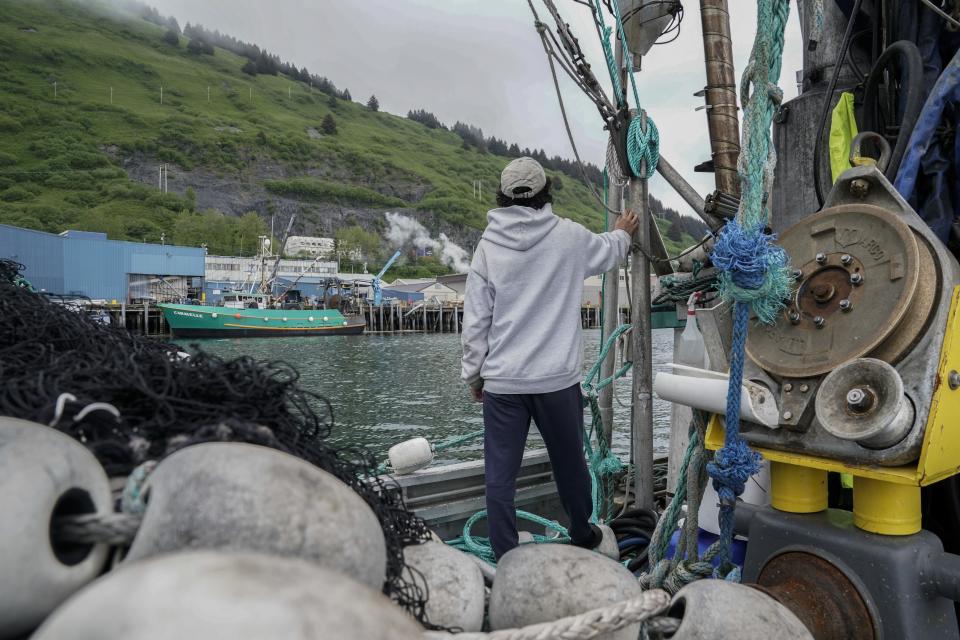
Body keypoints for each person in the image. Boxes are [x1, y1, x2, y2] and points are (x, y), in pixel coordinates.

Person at [460, 156, 639, 560]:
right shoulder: (568, 236)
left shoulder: (488, 247)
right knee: (570, 463)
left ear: (502, 197)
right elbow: (610, 252)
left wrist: (474, 376)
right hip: (558, 380)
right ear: (546, 192)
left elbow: (475, 322)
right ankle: (582, 534)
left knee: (500, 475)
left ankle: (506, 553)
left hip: (504, 382)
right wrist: (623, 233)